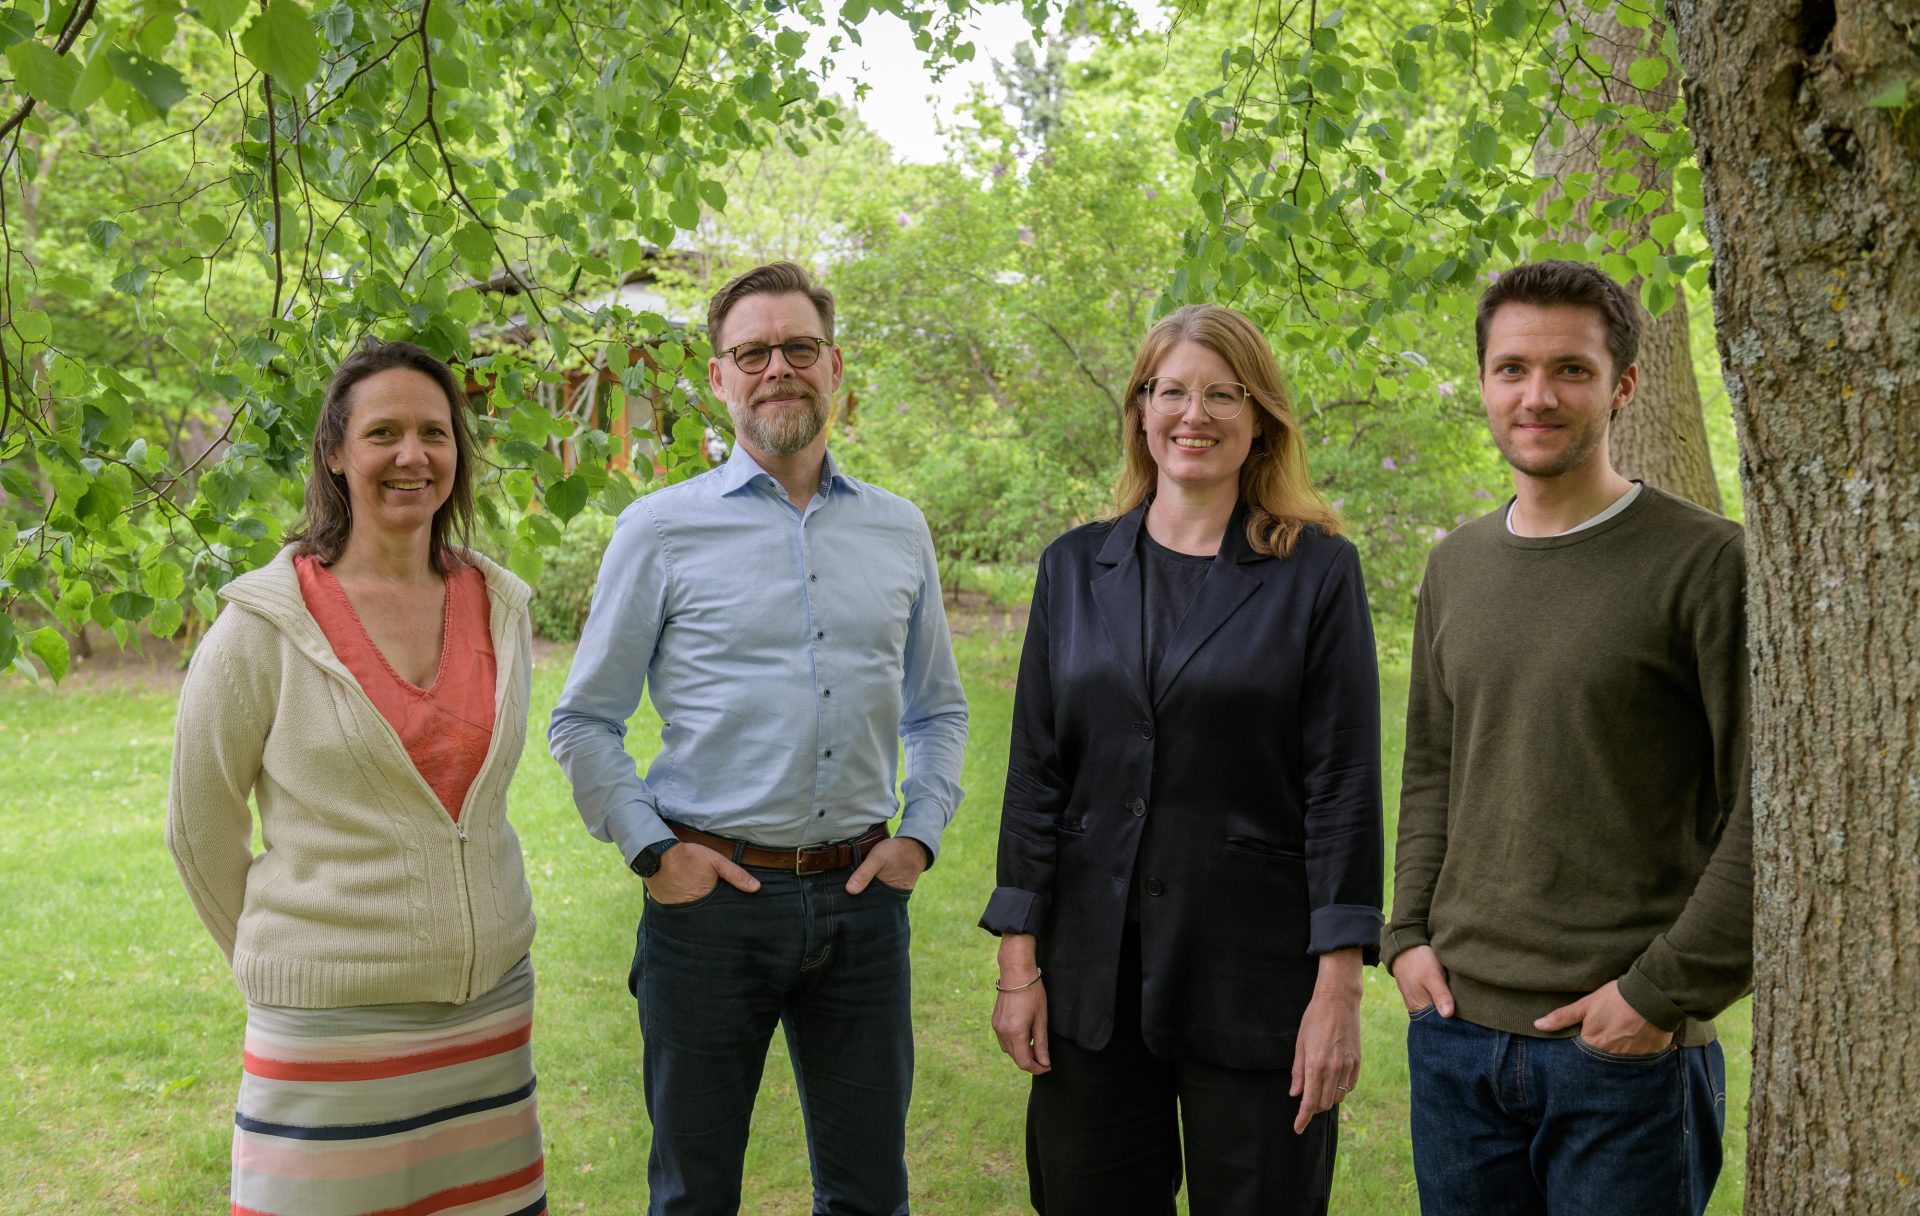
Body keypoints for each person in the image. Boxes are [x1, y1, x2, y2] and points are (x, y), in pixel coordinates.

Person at [548, 261, 968, 1216]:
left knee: (869, 1196)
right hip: (710, 913)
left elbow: (937, 709)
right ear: (720, 377)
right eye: (753, 352)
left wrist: (923, 833)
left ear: (834, 366)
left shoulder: (900, 532)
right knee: (694, 1198)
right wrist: (654, 852)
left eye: (799, 348)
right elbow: (583, 721)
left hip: (864, 907)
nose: (778, 367)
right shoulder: (658, 531)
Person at [980, 304, 1384, 1216]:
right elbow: (1037, 776)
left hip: (1255, 981)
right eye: (1171, 391)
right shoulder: (1074, 568)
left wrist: (1339, 989)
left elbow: (1344, 785)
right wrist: (1019, 963)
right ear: (1140, 409)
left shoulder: (1317, 571)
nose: (1193, 415)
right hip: (1091, 982)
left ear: (1260, 416)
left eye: (1221, 394)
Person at [1384, 260, 1752, 1216]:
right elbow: (1431, 768)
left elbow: (1770, 807)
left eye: (1570, 371)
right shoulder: (1456, 563)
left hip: (1623, 1058)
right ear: (1483, 381)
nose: (1536, 396)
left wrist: (1661, 994)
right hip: (1457, 1037)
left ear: (1623, 384)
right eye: (1511, 369)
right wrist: (1408, 936)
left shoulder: (1708, 563)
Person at [166, 340, 546, 1214]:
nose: (413, 456)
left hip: (488, 1022)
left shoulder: (501, 606)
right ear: (335, 453)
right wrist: (299, 963)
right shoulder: (261, 628)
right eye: (384, 433)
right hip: (330, 1040)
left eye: (434, 433)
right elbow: (198, 831)